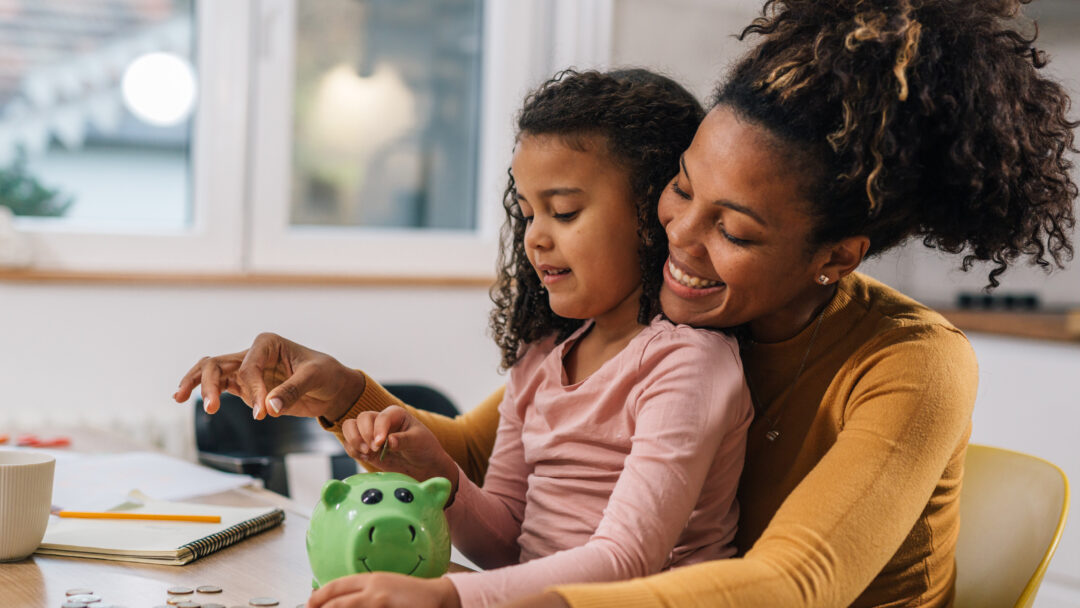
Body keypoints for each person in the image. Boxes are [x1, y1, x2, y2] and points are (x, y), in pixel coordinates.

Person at [175, 0, 1077, 606]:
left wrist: (458, 598)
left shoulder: (909, 362)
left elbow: (789, 583)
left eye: (737, 230)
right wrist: (341, 394)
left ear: (833, 258)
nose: (679, 239)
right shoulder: (663, 324)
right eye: (681, 189)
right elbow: (492, 464)